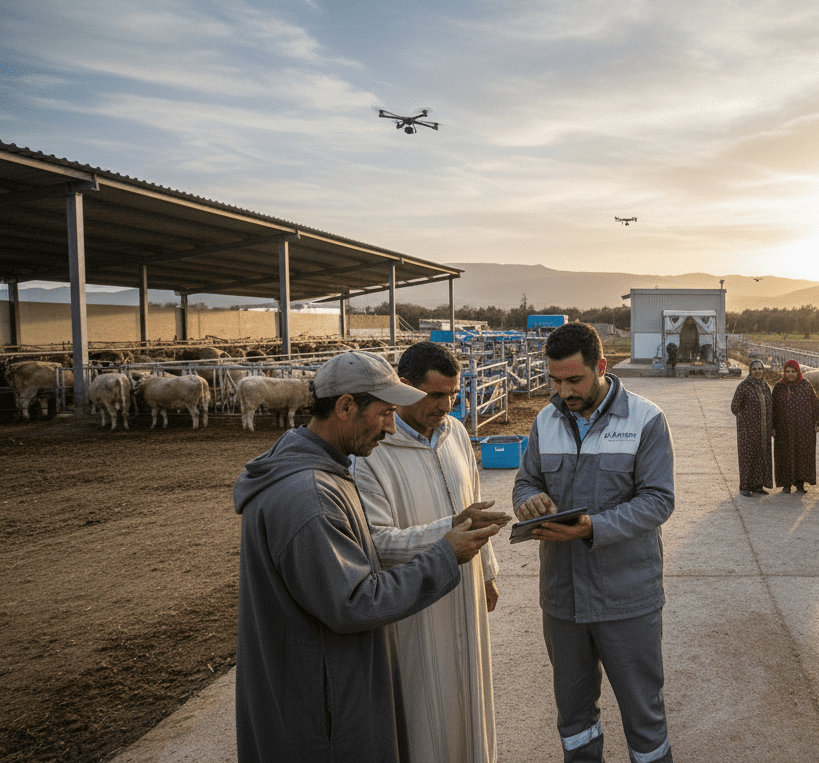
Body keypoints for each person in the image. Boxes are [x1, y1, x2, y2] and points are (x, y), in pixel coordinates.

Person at [233, 350, 500, 763]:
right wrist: (445, 553)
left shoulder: (324, 473)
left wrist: (482, 566)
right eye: (385, 412)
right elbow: (354, 601)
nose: (391, 425)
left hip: (319, 689)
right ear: (345, 407)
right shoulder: (312, 496)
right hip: (323, 706)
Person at [513, 322, 676, 763]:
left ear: (601, 367)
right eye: (555, 380)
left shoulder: (645, 420)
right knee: (574, 717)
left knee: (644, 714)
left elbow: (659, 501)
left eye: (574, 379)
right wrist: (529, 502)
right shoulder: (545, 421)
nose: (563, 391)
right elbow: (526, 481)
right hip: (563, 600)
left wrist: (592, 528)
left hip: (626, 598)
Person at [352, 341, 510, 763]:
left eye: (453, 394)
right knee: (425, 705)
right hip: (415, 602)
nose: (447, 405)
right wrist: (449, 536)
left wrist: (488, 573)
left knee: (471, 695)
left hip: (467, 587)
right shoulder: (372, 453)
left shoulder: (455, 432)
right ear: (403, 388)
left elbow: (474, 500)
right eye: (436, 395)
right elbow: (378, 541)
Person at [771, 359, 819, 493]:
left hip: (803, 428)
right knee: (784, 454)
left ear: (798, 372)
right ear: (784, 372)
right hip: (784, 429)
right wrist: (773, 427)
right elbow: (773, 409)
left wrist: (817, 422)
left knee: (802, 454)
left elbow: (814, 404)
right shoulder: (779, 387)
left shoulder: (805, 385)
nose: (790, 374)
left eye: (793, 371)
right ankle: (786, 483)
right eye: (787, 371)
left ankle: (800, 483)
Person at [731, 359, 774, 496]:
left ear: (763, 371)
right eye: (754, 369)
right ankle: (745, 486)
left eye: (760, 369)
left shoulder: (765, 387)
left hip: (763, 430)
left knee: (761, 456)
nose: (757, 371)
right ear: (750, 371)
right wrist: (745, 421)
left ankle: (757, 485)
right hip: (748, 431)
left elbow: (770, 407)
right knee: (747, 457)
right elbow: (735, 407)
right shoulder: (744, 386)